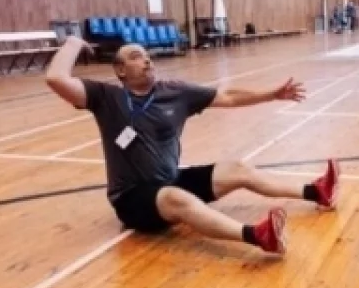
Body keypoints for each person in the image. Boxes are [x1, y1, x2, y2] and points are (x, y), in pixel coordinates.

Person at [44, 37, 340, 254]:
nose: (147, 61)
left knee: (236, 169)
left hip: (169, 179)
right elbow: (56, 78)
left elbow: (228, 97)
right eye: (136, 57)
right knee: (176, 197)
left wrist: (272, 95)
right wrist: (73, 42)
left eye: (148, 56)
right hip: (132, 199)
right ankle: (257, 236)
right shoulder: (106, 98)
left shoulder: (174, 92)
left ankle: (317, 192)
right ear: (120, 70)